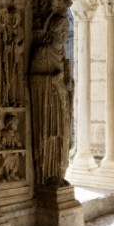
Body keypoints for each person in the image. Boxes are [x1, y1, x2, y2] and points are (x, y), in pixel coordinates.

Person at [30, 13, 73, 187]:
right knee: (48, 137)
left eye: (66, 30)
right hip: (46, 105)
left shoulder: (63, 54)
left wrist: (69, 85)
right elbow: (32, 80)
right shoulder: (43, 53)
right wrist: (52, 80)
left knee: (61, 137)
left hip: (61, 103)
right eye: (61, 30)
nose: (64, 34)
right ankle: (46, 176)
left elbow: (65, 83)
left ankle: (58, 173)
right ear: (52, 31)